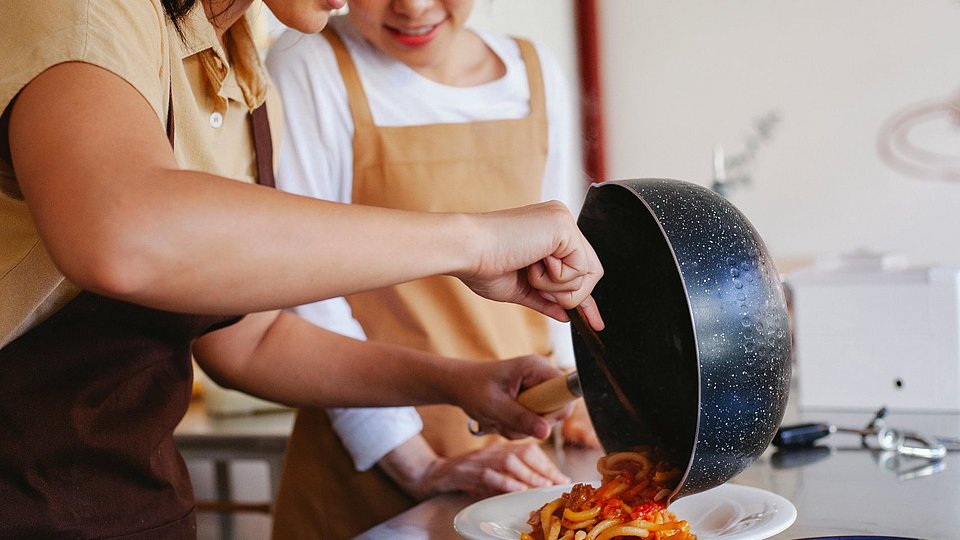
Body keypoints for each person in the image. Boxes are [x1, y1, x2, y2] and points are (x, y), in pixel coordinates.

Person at [0, 0, 604, 537]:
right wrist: (472, 241)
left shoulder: (242, 77)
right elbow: (122, 233)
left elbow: (251, 338)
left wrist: (460, 384)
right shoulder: (81, 12)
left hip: (123, 501)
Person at [263, 2, 600, 538]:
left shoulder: (535, 71)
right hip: (371, 467)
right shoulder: (307, 62)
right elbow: (307, 294)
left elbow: (560, 256)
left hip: (520, 455)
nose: (414, 7)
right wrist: (418, 464)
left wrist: (574, 398)